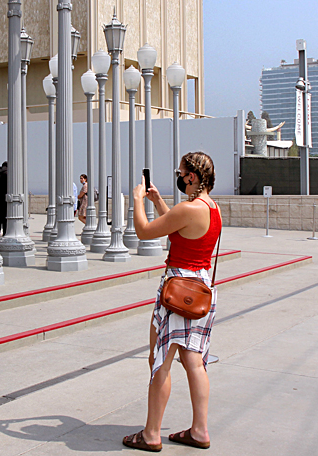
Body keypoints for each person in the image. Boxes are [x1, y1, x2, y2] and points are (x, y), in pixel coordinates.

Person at [122, 151, 221, 452]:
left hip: (177, 291)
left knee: (160, 361)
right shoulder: (211, 207)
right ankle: (200, 430)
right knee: (194, 360)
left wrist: (138, 199)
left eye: (181, 173)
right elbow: (181, 230)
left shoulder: (189, 208)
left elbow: (144, 232)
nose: (178, 178)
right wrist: (158, 202)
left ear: (192, 177)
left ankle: (151, 434)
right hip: (200, 290)